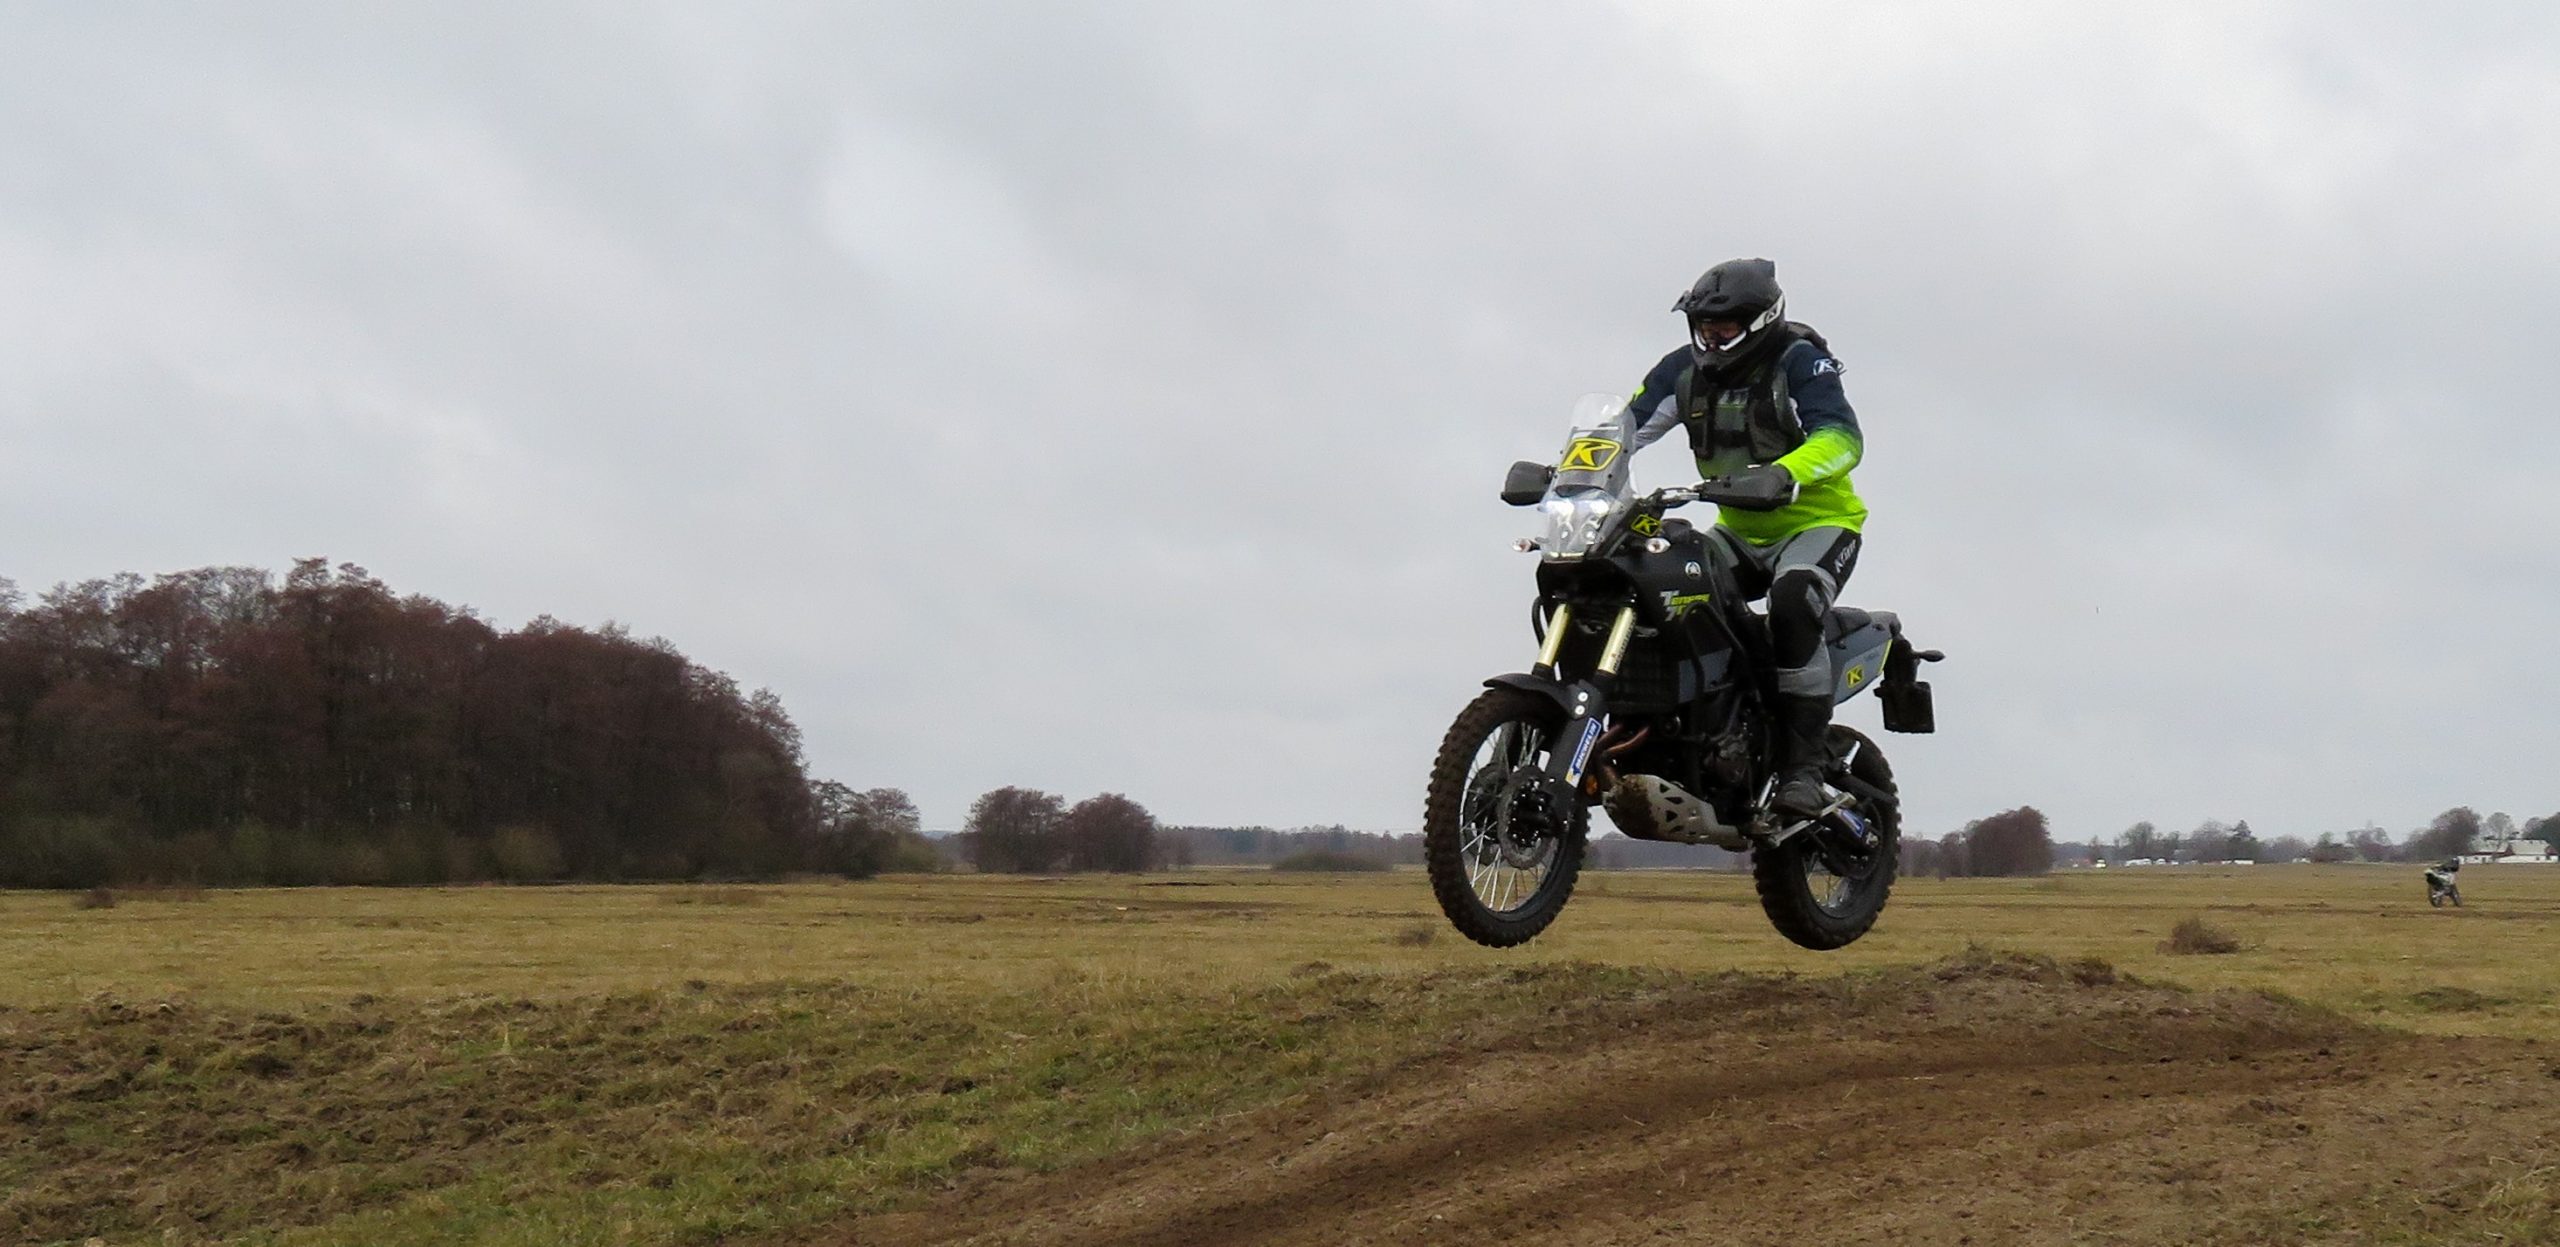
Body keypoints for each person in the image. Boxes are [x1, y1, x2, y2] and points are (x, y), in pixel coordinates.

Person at [1625, 258, 1868, 817]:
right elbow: (1624, 428)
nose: (1711, 338)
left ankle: (1804, 769)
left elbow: (1843, 438)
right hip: (1737, 532)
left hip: (1818, 524)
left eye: (1725, 327)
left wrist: (1784, 473)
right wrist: (1570, 469)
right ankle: (1708, 727)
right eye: (1704, 327)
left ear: (1762, 320)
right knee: (1660, 590)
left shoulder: (1800, 362)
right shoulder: (1679, 372)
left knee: (1792, 600)